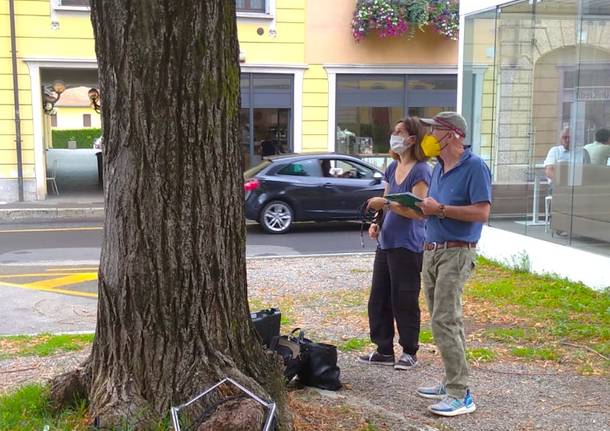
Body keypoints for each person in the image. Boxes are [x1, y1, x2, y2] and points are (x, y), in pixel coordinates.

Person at [415, 112, 491, 417]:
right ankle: (451, 382)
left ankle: (461, 394)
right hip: (432, 251)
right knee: (441, 319)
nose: (430, 136)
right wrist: (423, 208)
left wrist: (441, 209)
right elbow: (433, 208)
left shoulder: (475, 167)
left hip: (457, 253)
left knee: (446, 319)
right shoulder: (438, 168)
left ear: (454, 134)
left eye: (435, 130)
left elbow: (482, 212)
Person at [358, 117, 431, 370]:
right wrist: (377, 221)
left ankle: (409, 350)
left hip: (408, 244)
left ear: (412, 139)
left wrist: (386, 204)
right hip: (387, 242)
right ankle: (383, 349)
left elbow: (419, 211)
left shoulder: (421, 170)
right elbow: (387, 200)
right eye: (394, 131)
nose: (394, 135)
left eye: (400, 132)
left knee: (405, 298)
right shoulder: (392, 166)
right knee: (379, 298)